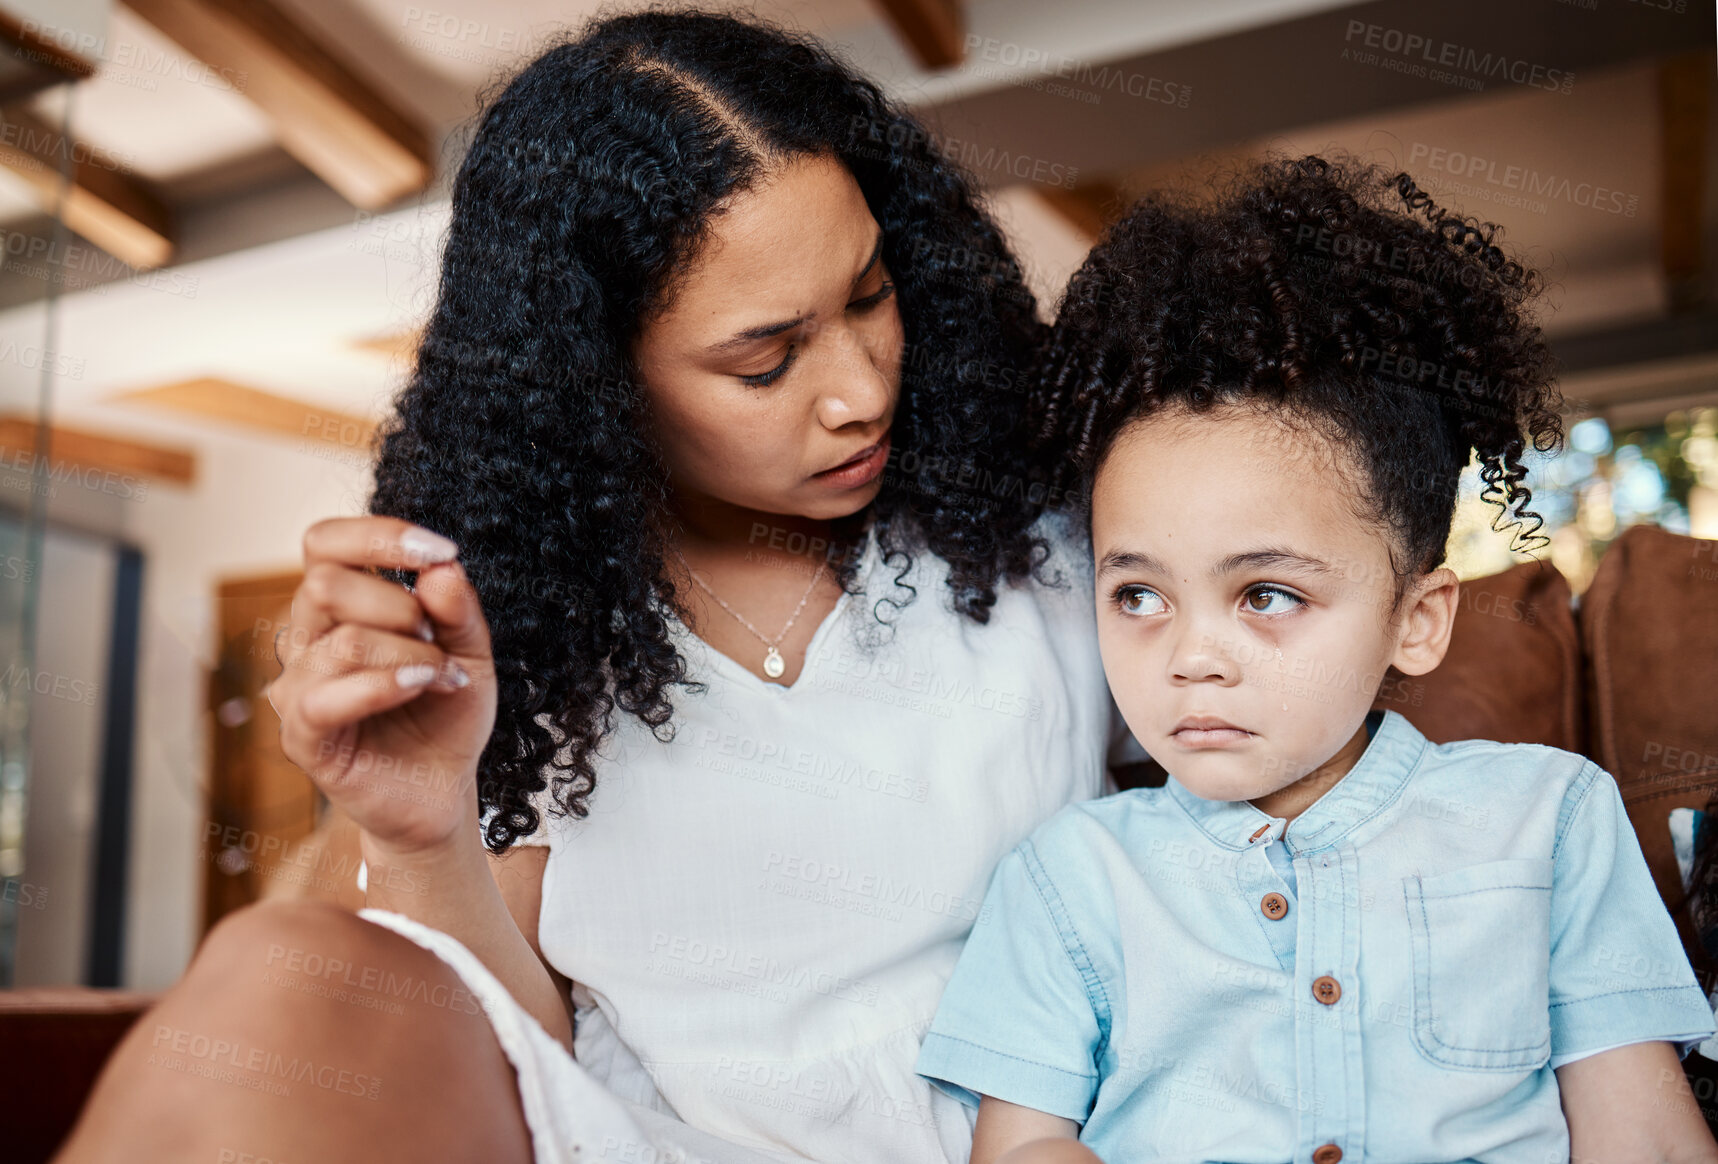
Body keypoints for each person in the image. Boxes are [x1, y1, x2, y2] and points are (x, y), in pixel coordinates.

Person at [51, 9, 1146, 1164]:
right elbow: (514, 1061)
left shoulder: (1043, 526)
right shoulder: (528, 634)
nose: (858, 392)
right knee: (269, 966)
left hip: (1045, 1138)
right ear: (596, 382)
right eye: (763, 359)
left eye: (870, 295)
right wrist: (422, 836)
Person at [912, 156, 1718, 1164]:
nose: (1190, 658)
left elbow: (1641, 1138)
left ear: (1416, 620)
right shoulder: (1069, 875)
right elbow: (1020, 1146)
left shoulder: (1549, 820)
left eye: (1267, 595)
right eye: (1138, 597)